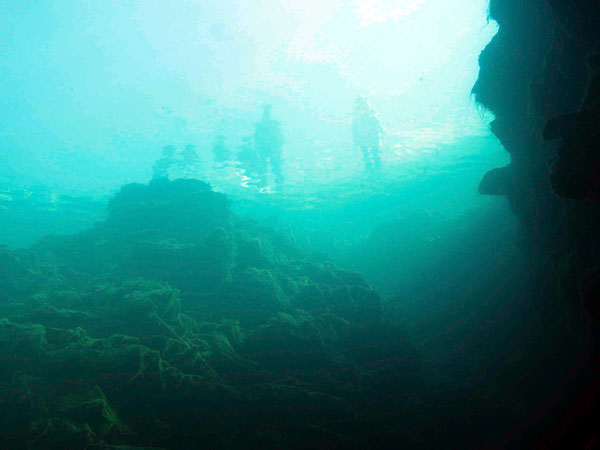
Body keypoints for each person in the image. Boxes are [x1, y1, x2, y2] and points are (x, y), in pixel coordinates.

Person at [253, 104, 284, 185]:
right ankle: (276, 181)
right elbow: (280, 140)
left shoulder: (262, 128)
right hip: (269, 148)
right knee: (274, 166)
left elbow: (256, 139)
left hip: (267, 148)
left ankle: (265, 181)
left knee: (267, 166)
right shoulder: (272, 128)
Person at [352, 96, 383, 172]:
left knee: (372, 152)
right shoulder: (361, 110)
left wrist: (380, 129)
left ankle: (375, 167)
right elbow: (354, 124)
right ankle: (372, 167)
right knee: (368, 152)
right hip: (365, 133)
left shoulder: (368, 110)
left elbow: (375, 120)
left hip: (370, 133)